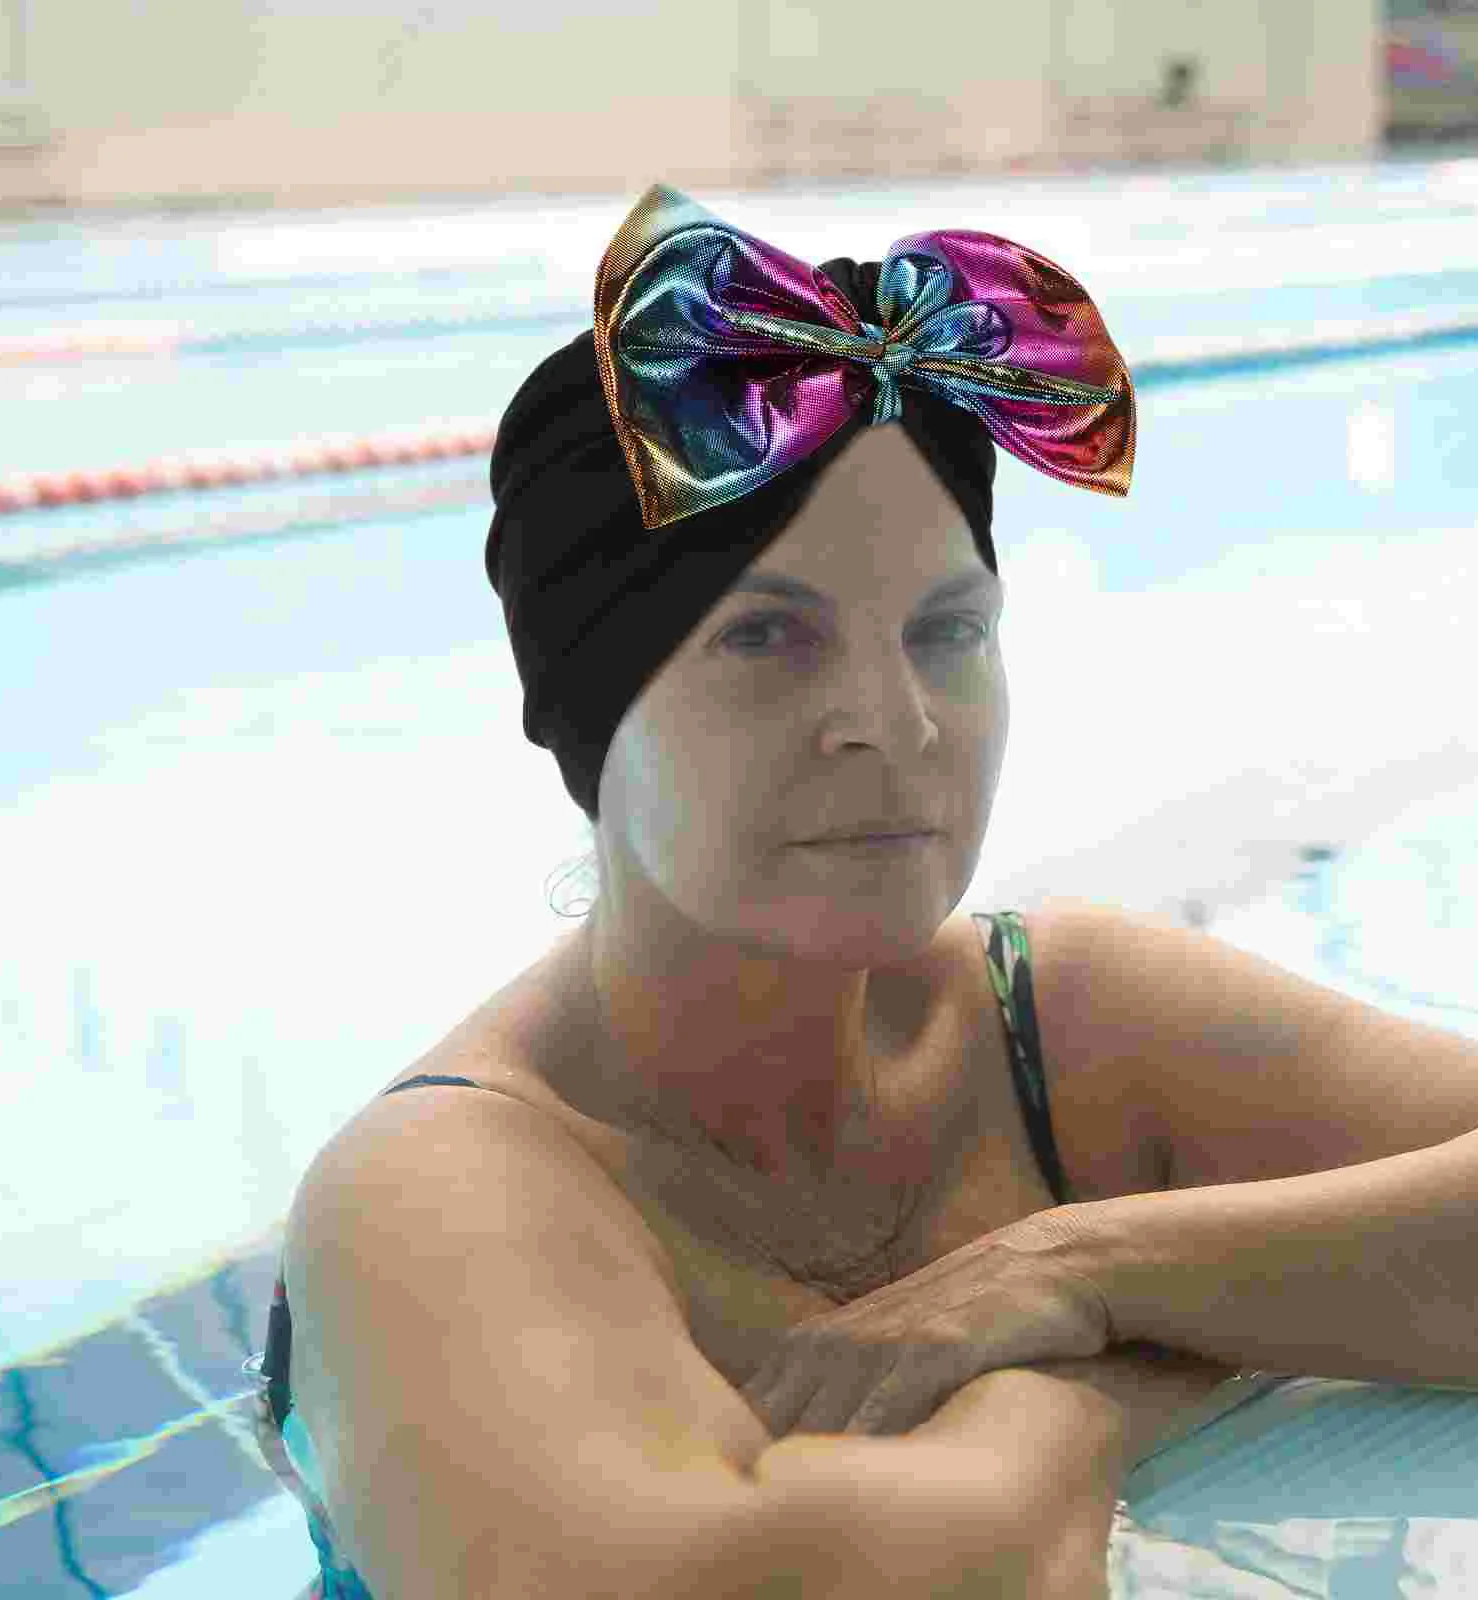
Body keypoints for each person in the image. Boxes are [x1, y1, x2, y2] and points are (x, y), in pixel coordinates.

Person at [248, 183, 1241, 1599]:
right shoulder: (432, 1195)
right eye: (768, 637)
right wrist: (1099, 1380)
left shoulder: (1061, 1015)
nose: (894, 722)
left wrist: (1090, 1269)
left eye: (948, 629)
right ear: (592, 707)